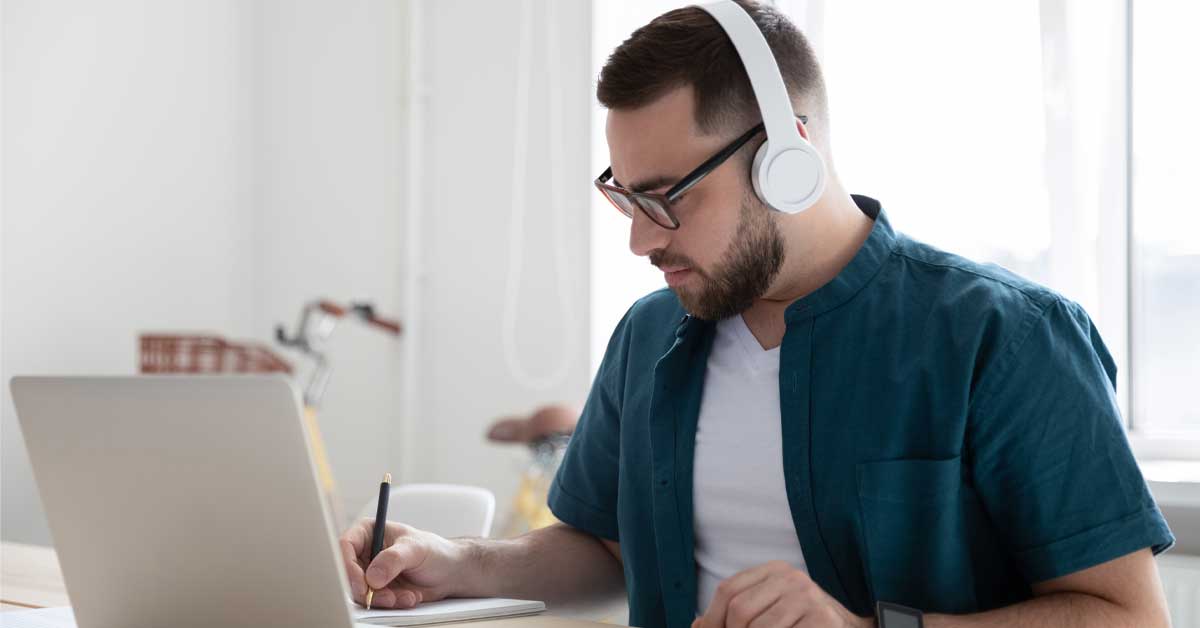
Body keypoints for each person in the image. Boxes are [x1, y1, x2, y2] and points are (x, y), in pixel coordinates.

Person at [340, 2, 1175, 626]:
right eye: (625, 199)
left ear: (788, 161)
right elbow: (605, 551)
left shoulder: (1005, 338)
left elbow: (1126, 616)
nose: (640, 241)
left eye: (666, 200)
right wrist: (458, 562)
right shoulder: (648, 335)